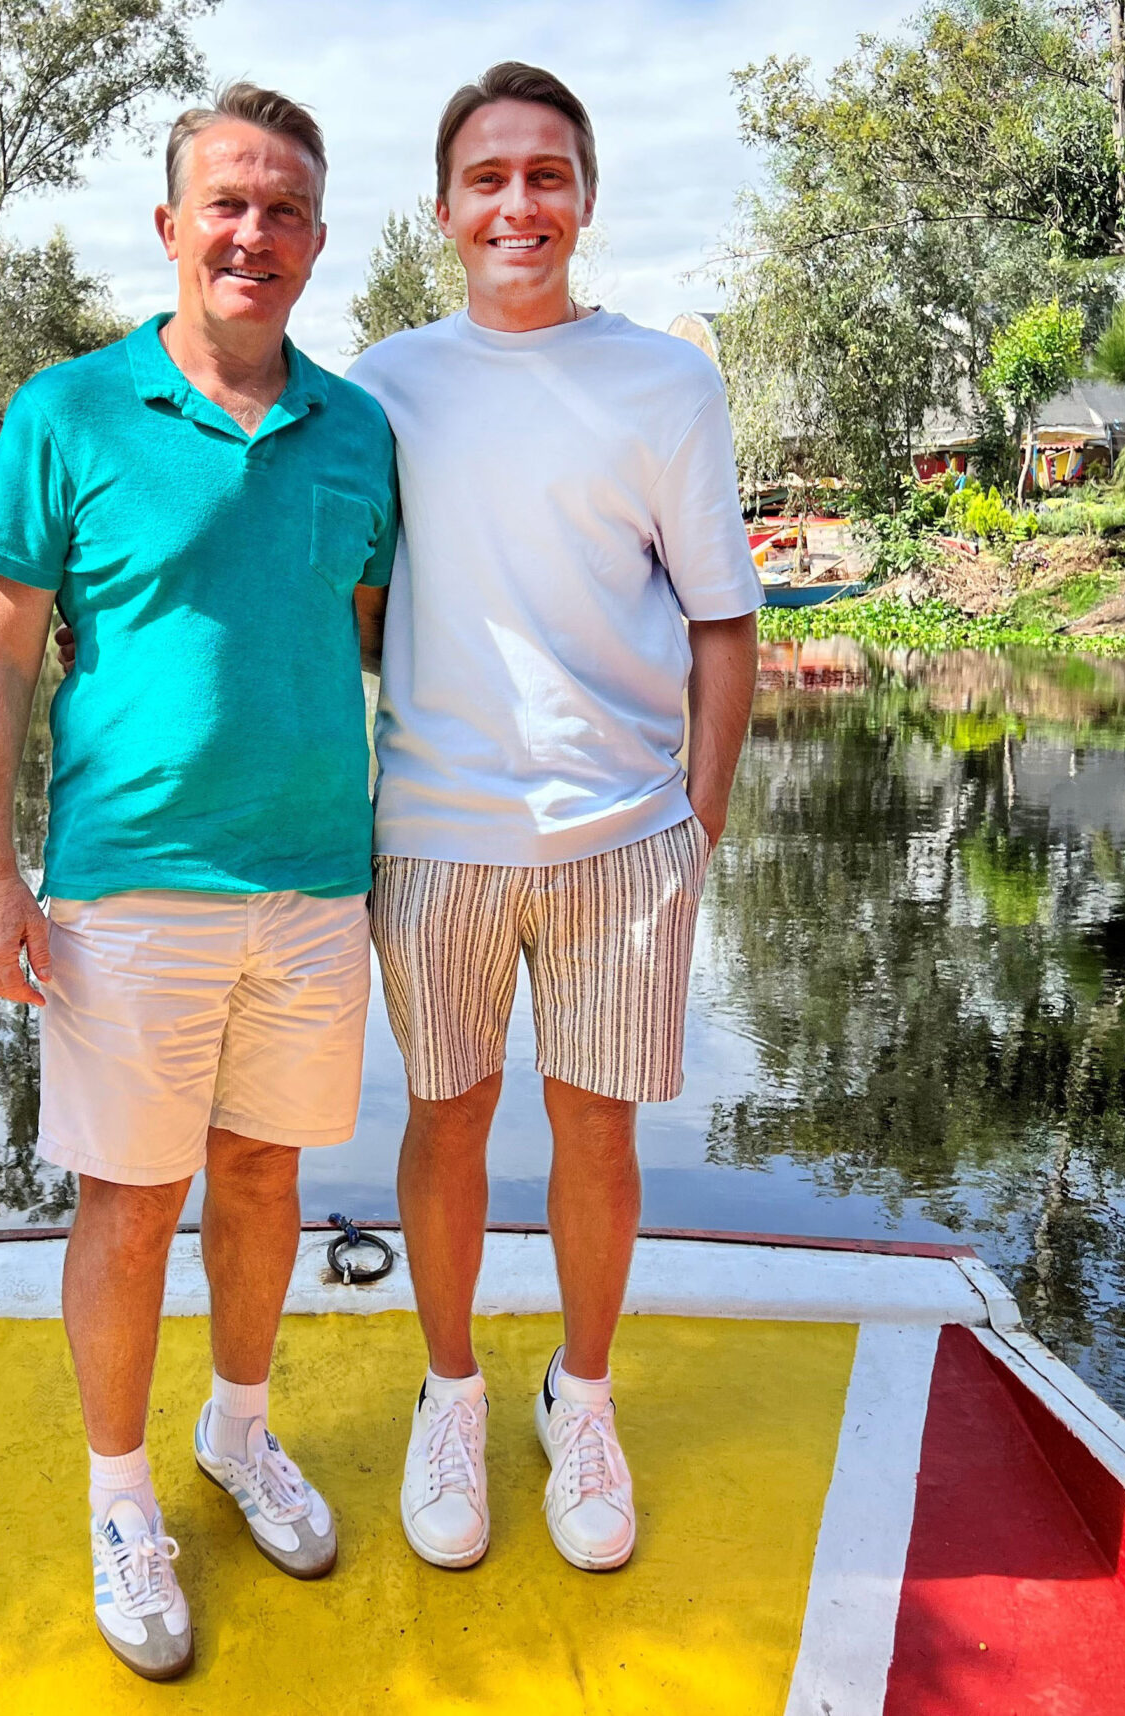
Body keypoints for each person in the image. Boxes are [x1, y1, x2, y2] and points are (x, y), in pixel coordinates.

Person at [0, 83, 396, 1680]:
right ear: (169, 226)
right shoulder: (66, 415)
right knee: (132, 1202)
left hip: (312, 887)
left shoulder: (358, 430)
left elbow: (375, 641)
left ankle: (240, 1431)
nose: (252, 234)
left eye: (282, 211)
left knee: (266, 1182)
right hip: (129, 887)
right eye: (226, 203)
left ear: (318, 243)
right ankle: (122, 1495)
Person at [347, 62, 763, 1575]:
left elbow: (725, 623)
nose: (517, 204)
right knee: (445, 1120)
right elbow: (359, 611)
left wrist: (696, 825)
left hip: (621, 842)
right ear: (445, 206)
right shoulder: (382, 384)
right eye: (488, 178)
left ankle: (578, 1399)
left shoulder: (668, 382)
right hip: (436, 837)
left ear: (585, 196)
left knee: (597, 1130)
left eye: (546, 175)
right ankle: (450, 1392)